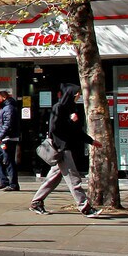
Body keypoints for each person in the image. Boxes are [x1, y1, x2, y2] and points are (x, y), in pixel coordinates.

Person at [30, 88, 94, 216]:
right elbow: (54, 128)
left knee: (53, 178)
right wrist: (71, 121)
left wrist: (91, 141)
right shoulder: (58, 107)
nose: (78, 97)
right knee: (73, 179)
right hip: (61, 149)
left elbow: (76, 130)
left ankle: (36, 202)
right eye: (77, 94)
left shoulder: (71, 109)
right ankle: (85, 207)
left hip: (66, 148)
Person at [0, 90, 23, 191]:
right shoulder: (4, 108)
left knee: (9, 161)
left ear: (4, 97)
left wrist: (0, 138)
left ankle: (14, 184)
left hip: (8, 139)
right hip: (5, 138)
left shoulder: (9, 108)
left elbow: (7, 125)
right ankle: (4, 181)